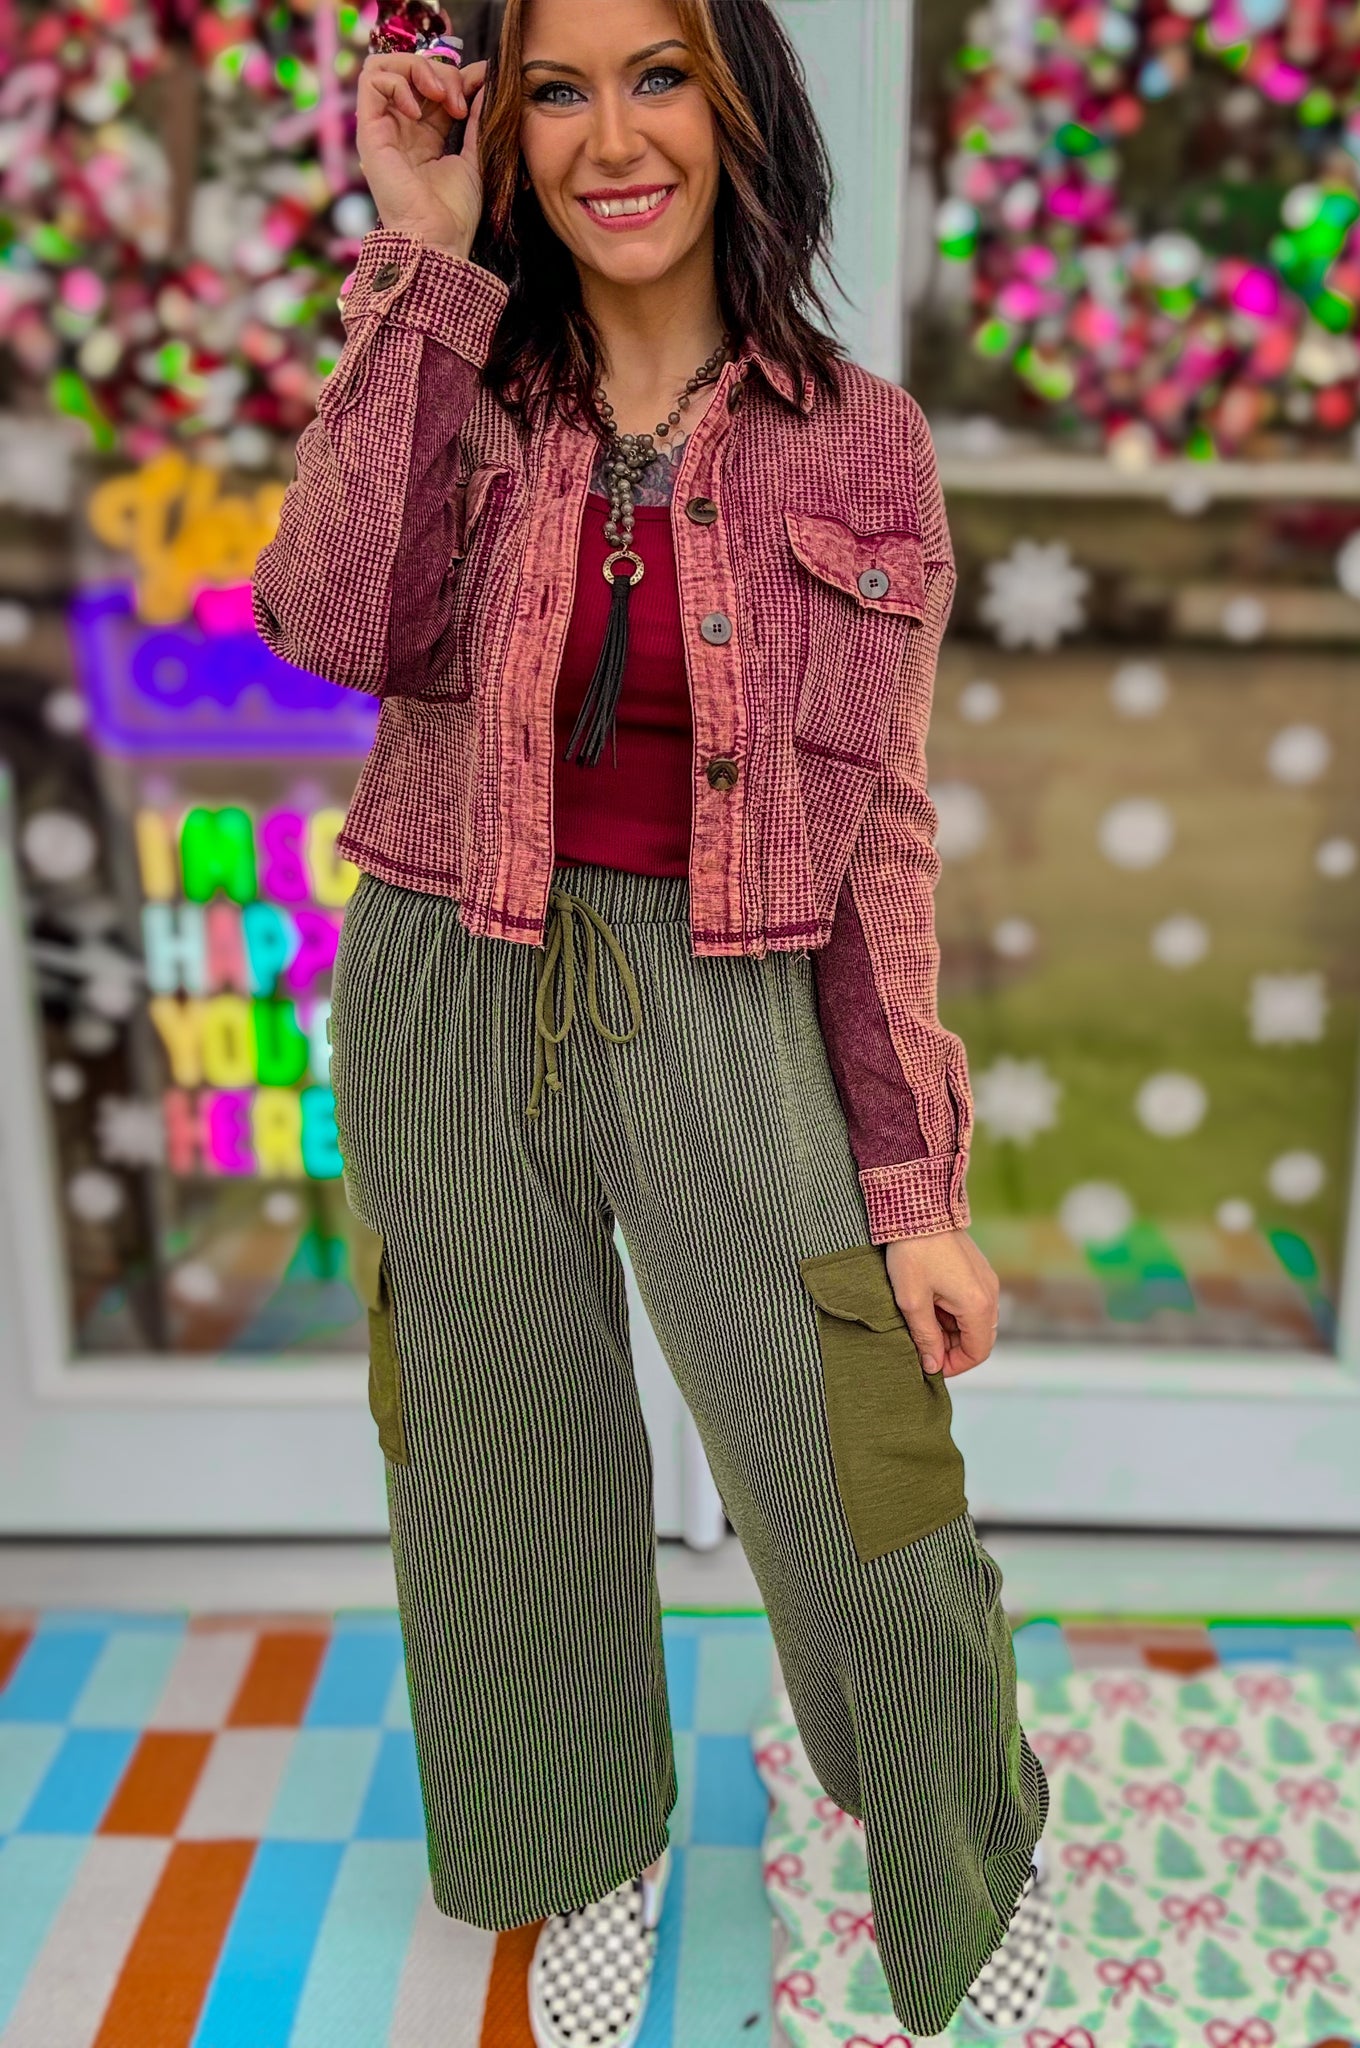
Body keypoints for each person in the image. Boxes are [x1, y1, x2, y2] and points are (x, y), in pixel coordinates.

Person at [253, 0, 1050, 2040]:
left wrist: (912, 1184)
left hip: (725, 992)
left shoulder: (859, 440)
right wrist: (418, 255)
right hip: (446, 975)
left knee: (860, 1476)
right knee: (498, 1467)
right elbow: (327, 623)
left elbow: (877, 833)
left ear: (739, 101)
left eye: (659, 74)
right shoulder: (453, 371)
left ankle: (964, 1855)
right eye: (555, 88)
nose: (613, 137)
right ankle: (585, 1847)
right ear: (505, 130)